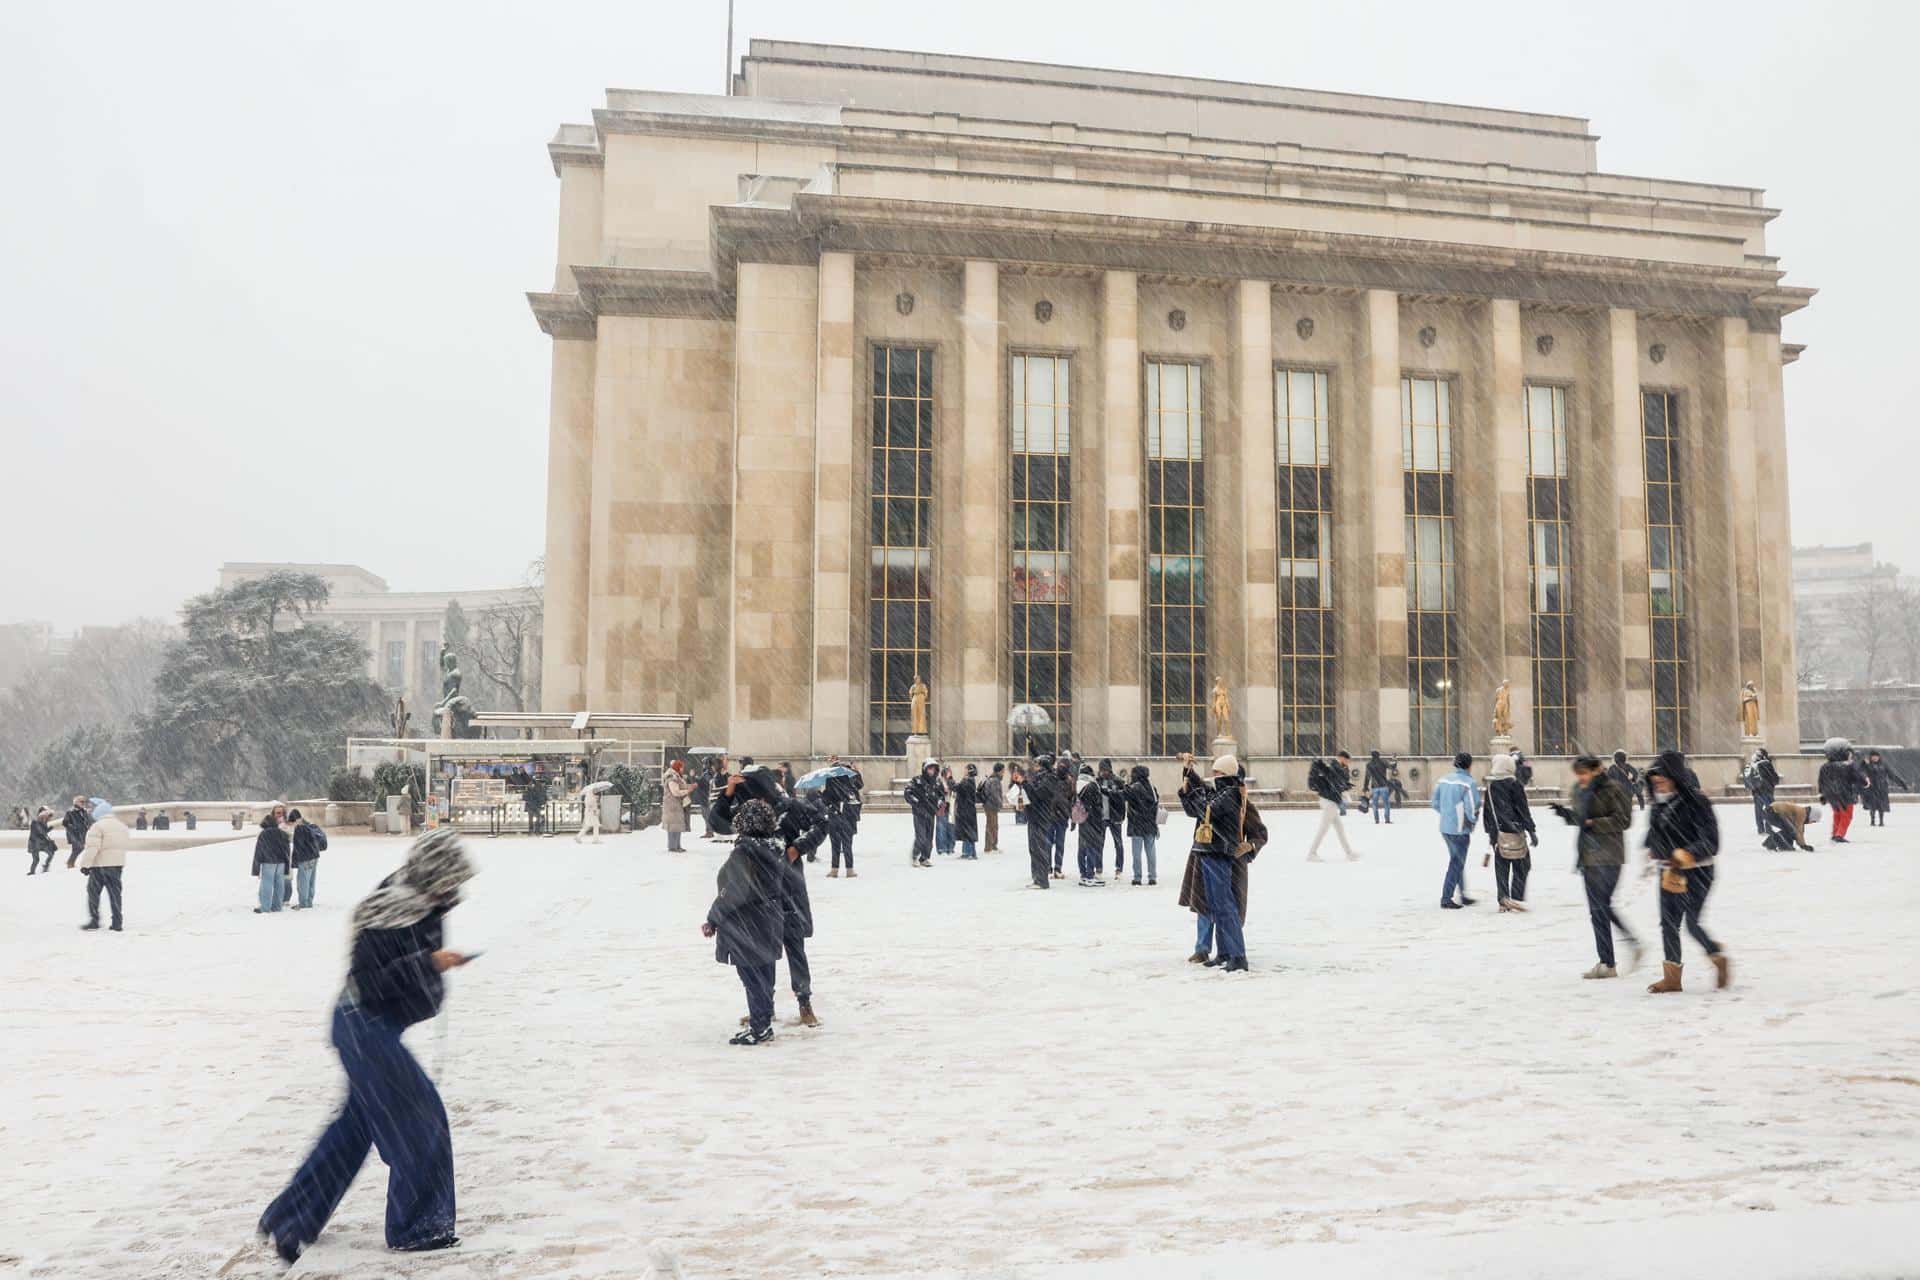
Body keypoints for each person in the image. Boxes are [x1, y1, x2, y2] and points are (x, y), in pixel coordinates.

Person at [257, 829, 476, 1262]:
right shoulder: (388, 910)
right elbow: (373, 982)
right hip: (364, 1028)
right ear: (433, 874)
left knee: (355, 1129)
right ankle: (419, 1227)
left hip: (371, 1029)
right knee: (421, 1120)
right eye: (449, 879)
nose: (454, 888)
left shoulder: (421, 902)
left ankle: (290, 1219)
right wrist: (430, 963)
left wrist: (430, 966)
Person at [702, 799, 790, 1045]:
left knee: (752, 977)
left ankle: (760, 1026)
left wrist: (713, 918)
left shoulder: (745, 851)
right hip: (769, 918)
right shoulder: (775, 847)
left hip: (747, 921)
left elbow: (734, 891)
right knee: (764, 974)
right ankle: (762, 1022)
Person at [1643, 751, 1730, 993]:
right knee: (1668, 924)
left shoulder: (1697, 802)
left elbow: (1712, 842)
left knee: (1691, 923)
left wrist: (1687, 853)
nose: (1657, 782)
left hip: (1698, 872)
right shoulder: (1658, 805)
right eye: (1654, 779)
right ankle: (1672, 978)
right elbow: (1655, 834)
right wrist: (1654, 848)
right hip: (1669, 872)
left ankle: (1717, 956)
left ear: (1675, 777)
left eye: (1661, 777)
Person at [1550, 755, 1641, 978]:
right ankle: (1607, 963)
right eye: (1578, 774)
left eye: (1584, 773)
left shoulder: (1614, 789)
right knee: (1596, 911)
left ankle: (1630, 943)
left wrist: (1594, 823)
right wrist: (1567, 815)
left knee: (1602, 906)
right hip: (1588, 855)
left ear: (1596, 771)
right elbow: (1582, 819)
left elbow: (1624, 821)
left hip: (1609, 855)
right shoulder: (1579, 790)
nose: (1580, 778)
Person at [1177, 754, 1252, 971]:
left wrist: (1193, 790)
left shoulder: (1230, 793)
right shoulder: (1223, 791)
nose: (1214, 776)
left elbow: (1206, 808)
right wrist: (1188, 776)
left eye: (1217, 772)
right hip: (1209, 852)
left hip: (1219, 853)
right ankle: (1225, 953)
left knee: (1225, 906)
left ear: (1226, 773)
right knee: (1216, 906)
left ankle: (1238, 956)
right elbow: (1195, 808)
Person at [769, 795, 830, 1027]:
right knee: (764, 954)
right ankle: (764, 1005)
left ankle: (804, 1003)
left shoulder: (789, 808)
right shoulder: (752, 810)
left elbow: (822, 823)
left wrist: (798, 847)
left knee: (795, 950)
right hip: (762, 893)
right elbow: (720, 820)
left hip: (790, 891)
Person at [1481, 751, 1538, 911]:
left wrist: (1491, 833)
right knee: (1522, 864)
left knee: (1502, 866)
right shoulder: (1515, 785)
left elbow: (1487, 812)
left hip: (1498, 833)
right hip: (1515, 831)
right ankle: (1516, 897)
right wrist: (1531, 830)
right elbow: (1523, 809)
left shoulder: (1491, 787)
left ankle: (1503, 899)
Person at [1431, 753, 1480, 909]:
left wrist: (1447, 814)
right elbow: (1472, 806)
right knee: (1456, 863)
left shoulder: (1444, 780)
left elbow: (1435, 802)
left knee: (1456, 861)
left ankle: (1462, 894)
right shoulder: (1468, 783)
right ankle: (1446, 898)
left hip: (1445, 827)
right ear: (1469, 765)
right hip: (1460, 829)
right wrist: (1471, 821)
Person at [76, 802, 129, 931]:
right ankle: (117, 922)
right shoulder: (122, 826)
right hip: (117, 865)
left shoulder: (97, 827)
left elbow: (92, 847)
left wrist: (85, 865)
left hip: (100, 866)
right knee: (115, 894)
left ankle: (94, 920)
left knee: (93, 892)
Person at [1304, 755, 1359, 861]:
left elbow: (1336, 783)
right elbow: (1336, 783)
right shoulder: (1335, 767)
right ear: (1342, 758)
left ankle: (1349, 853)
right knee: (1323, 829)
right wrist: (1344, 789)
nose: (1348, 762)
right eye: (1347, 760)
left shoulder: (1334, 768)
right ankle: (1311, 853)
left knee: (1339, 828)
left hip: (1330, 801)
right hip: (1329, 802)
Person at [1021, 754, 1058, 889]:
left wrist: (1024, 783)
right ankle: (1036, 878)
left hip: (1040, 817)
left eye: (1037, 765)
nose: (1035, 768)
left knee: (1039, 848)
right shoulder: (1039, 778)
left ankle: (1042, 880)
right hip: (1034, 816)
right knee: (1033, 849)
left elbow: (1037, 796)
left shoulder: (1049, 779)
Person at [823, 756, 862, 878]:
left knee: (835, 844)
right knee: (847, 844)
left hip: (835, 816)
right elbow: (859, 791)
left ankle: (834, 869)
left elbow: (826, 800)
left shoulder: (830, 781)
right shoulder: (851, 784)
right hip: (847, 817)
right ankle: (849, 869)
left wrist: (823, 794)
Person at [1072, 762, 1108, 887]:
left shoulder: (1076, 784)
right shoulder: (1092, 786)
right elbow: (1096, 806)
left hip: (1082, 820)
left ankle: (1083, 874)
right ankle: (1089, 875)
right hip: (1092, 821)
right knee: (1092, 847)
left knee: (1082, 847)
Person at [1817, 742, 1862, 844]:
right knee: (1846, 815)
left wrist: (1823, 794)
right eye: (1849, 753)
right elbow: (1856, 778)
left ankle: (1835, 833)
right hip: (1845, 794)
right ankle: (1839, 835)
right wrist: (1865, 782)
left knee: (1837, 814)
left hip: (1832, 795)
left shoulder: (1825, 766)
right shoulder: (1846, 766)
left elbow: (1821, 781)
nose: (1851, 755)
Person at [1124, 763, 1160, 886]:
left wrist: (1125, 783)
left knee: (1136, 852)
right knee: (1150, 851)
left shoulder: (1134, 787)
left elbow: (1123, 795)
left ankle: (1137, 877)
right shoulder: (1152, 788)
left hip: (1137, 824)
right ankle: (1152, 876)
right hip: (1150, 824)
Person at [253, 805, 291, 913]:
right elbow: (287, 850)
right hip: (281, 862)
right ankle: (277, 906)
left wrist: (256, 868)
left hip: (268, 862)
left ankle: (265, 907)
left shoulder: (263, 834)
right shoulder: (282, 833)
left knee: (267, 884)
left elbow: (258, 852)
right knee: (280, 884)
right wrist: (287, 865)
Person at [904, 760, 942, 868]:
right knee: (921, 836)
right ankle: (915, 856)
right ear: (925, 769)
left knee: (929, 838)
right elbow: (907, 792)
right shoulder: (916, 780)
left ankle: (924, 857)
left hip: (931, 813)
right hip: (919, 813)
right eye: (930, 768)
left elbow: (940, 795)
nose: (932, 771)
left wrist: (940, 802)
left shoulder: (936, 782)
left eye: (934, 769)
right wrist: (916, 802)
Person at [1095, 759, 1128, 878]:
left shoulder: (1118, 781)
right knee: (1099, 843)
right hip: (1102, 817)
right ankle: (1098, 869)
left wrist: (1111, 793)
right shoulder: (1097, 782)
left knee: (1118, 843)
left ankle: (1119, 869)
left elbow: (1123, 798)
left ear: (1109, 769)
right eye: (1101, 770)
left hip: (1115, 817)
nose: (1103, 772)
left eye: (1105, 770)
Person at [289, 808, 328, 909]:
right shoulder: (309, 824)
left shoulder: (299, 828)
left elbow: (298, 847)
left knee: (303, 881)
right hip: (314, 856)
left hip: (305, 858)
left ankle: (303, 904)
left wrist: (294, 862)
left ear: (294, 820)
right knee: (311, 880)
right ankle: (309, 902)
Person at [1863, 750, 1910, 827]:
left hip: (1882, 788)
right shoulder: (1867, 765)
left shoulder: (1884, 765)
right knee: (1873, 805)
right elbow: (1861, 773)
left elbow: (1892, 775)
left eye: (1876, 756)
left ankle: (1881, 821)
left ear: (1879, 757)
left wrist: (1901, 783)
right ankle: (1872, 820)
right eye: (1873, 756)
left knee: (1881, 805)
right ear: (1870, 757)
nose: (1875, 758)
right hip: (1872, 788)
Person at [1743, 747, 1781, 835]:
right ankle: (1768, 828)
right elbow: (1774, 777)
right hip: (1766, 790)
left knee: (1758, 810)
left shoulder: (1752, 764)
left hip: (1756, 791)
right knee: (1770, 809)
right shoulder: (1766, 763)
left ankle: (1760, 829)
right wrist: (1774, 781)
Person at [662, 759, 694, 851]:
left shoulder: (677, 776)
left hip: (676, 805)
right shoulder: (672, 777)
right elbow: (675, 792)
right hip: (672, 805)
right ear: (678, 767)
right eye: (681, 767)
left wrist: (689, 786)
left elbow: (680, 786)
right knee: (673, 827)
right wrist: (687, 791)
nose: (683, 769)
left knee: (678, 826)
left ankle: (677, 845)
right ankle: (672, 847)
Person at [952, 764, 981, 859]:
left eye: (965, 769)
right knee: (967, 831)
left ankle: (970, 853)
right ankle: (967, 852)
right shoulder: (969, 780)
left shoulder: (967, 781)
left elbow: (956, 787)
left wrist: (949, 778)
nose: (963, 770)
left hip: (966, 810)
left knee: (968, 831)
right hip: (967, 809)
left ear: (969, 770)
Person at [575, 776, 612, 843]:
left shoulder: (590, 796)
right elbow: (590, 805)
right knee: (595, 825)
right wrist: (595, 806)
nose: (596, 791)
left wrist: (596, 800)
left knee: (589, 826)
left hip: (591, 813)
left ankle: (579, 836)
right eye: (595, 790)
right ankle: (594, 839)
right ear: (591, 790)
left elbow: (591, 804)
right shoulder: (589, 797)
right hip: (591, 813)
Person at [980, 762, 1005, 854]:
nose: (1004, 772)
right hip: (991, 806)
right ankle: (989, 847)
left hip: (990, 805)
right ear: (999, 771)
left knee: (993, 826)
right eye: (1003, 770)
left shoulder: (993, 779)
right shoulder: (995, 780)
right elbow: (995, 794)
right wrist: (1000, 803)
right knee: (992, 826)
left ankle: (992, 845)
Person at [62, 795, 92, 870]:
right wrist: (73, 827)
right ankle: (70, 862)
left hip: (82, 833)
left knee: (76, 849)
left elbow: (87, 821)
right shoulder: (70, 812)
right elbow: (65, 823)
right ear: (76, 802)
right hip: (74, 834)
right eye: (81, 801)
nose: (83, 803)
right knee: (80, 848)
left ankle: (71, 862)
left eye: (84, 802)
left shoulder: (84, 811)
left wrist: (88, 826)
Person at [1364, 750, 1394, 823]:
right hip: (1384, 786)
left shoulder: (1369, 764)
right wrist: (1395, 760)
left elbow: (1367, 776)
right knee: (1386, 804)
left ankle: (1376, 820)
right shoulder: (1383, 762)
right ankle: (1387, 820)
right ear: (1379, 755)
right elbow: (1392, 767)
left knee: (1375, 805)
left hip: (1375, 787)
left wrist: (1365, 786)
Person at [28, 806, 59, 874]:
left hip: (41, 843)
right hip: (34, 844)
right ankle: (32, 872)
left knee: (51, 853)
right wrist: (50, 828)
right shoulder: (35, 821)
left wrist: (51, 827)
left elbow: (44, 831)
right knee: (36, 860)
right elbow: (42, 831)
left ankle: (46, 866)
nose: (47, 816)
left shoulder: (43, 821)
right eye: (45, 813)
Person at [934, 766, 956, 857]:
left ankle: (950, 847)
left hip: (951, 807)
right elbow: (936, 793)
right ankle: (941, 848)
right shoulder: (938, 782)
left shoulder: (952, 782)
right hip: (942, 807)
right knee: (941, 828)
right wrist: (944, 792)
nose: (949, 773)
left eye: (950, 772)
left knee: (951, 828)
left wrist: (950, 780)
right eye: (947, 772)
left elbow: (954, 791)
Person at [1333, 751, 1355, 815]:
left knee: (1344, 800)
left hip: (1342, 786)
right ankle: (1342, 812)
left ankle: (1342, 811)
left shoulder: (1344, 766)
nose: (1347, 761)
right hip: (1338, 786)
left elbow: (1347, 776)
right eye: (1346, 759)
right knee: (1341, 800)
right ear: (1341, 758)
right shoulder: (1335, 765)